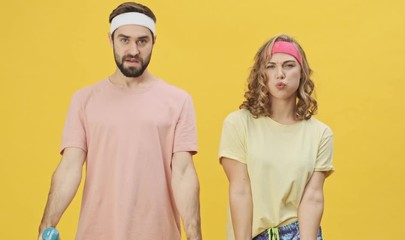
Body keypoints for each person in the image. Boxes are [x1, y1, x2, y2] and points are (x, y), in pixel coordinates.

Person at [38, 2, 202, 240]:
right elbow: (69, 167)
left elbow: (184, 173)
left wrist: (195, 235)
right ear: (111, 40)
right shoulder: (84, 100)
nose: (133, 50)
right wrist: (46, 223)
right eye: (124, 40)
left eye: (142, 41)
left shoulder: (178, 101)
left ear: (154, 41)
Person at [219, 34, 334, 240]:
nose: (280, 74)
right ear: (260, 74)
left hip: (299, 233)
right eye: (271, 66)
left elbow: (313, 198)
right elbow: (240, 190)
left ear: (302, 73)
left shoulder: (320, 134)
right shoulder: (238, 124)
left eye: (289, 65)